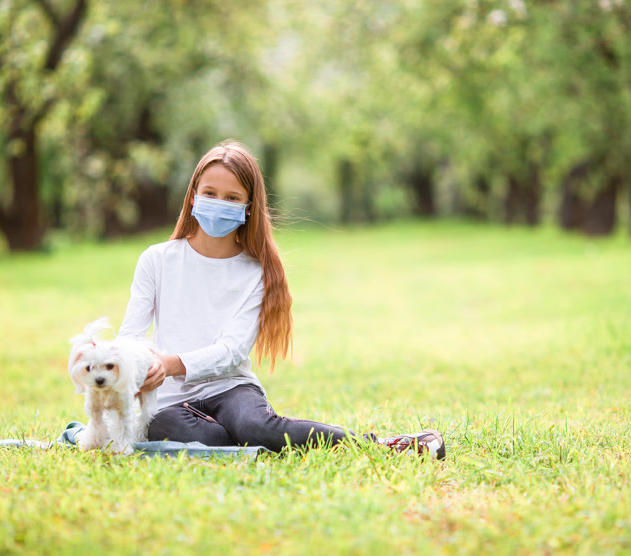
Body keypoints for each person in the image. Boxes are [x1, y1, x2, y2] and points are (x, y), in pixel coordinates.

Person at [118, 140, 445, 460]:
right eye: (210, 194)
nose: (219, 203)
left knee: (254, 426)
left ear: (247, 207)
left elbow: (232, 351)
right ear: (192, 198)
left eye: (232, 197)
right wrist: (142, 366)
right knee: (207, 437)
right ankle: (235, 436)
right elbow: (130, 337)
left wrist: (171, 363)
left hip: (230, 388)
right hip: (169, 397)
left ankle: (377, 445)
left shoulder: (256, 273)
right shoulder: (157, 260)